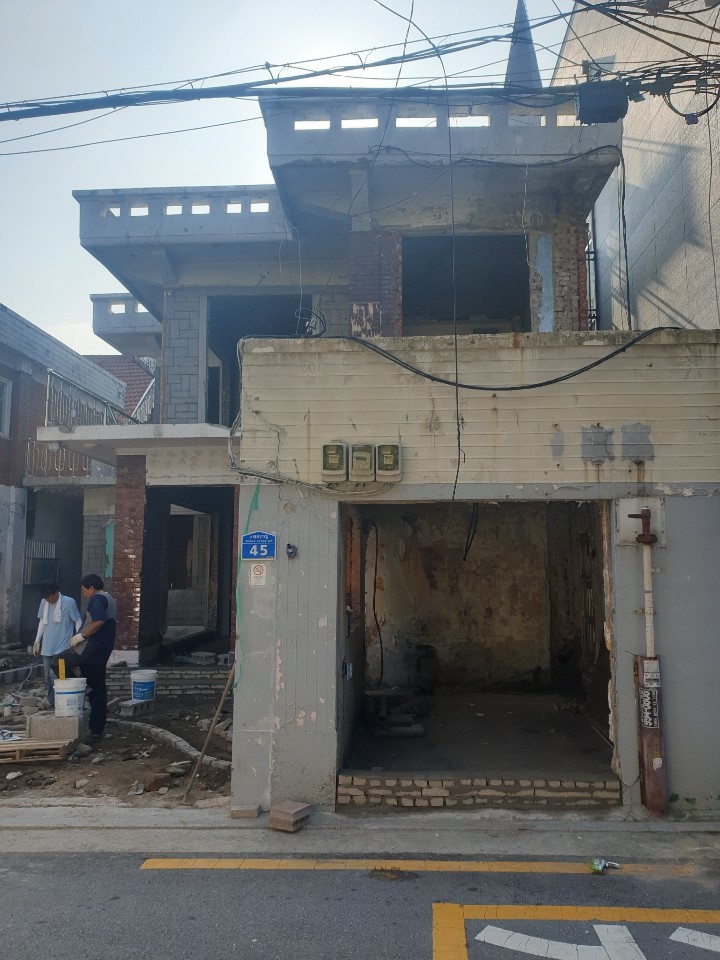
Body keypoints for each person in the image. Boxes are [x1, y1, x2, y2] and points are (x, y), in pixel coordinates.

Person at [59, 574, 116, 742]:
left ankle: (79, 687)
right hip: (102, 650)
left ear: (91, 588)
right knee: (97, 689)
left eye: (84, 591)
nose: (84, 595)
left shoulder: (97, 599)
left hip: (90, 649)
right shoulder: (109, 598)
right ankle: (96, 729)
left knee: (58, 661)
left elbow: (98, 622)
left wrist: (81, 636)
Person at [33, 581, 82, 708]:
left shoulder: (69, 602)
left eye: (48, 596)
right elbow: (42, 622)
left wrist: (78, 638)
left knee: (60, 675)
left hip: (63, 647)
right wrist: (37, 641)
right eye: (44, 597)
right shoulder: (44, 603)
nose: (46, 599)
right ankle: (52, 702)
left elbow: (77, 620)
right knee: (47, 677)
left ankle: (65, 701)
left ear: (55, 593)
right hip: (47, 646)